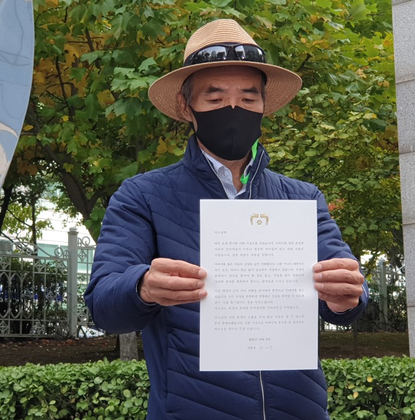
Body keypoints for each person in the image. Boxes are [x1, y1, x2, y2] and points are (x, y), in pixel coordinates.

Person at [85, 19, 369, 419]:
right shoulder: (142, 197)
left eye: (249, 99)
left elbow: (348, 291)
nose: (234, 110)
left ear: (264, 105)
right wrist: (143, 286)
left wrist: (348, 295)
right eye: (215, 100)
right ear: (187, 107)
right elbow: (102, 304)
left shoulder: (302, 198)